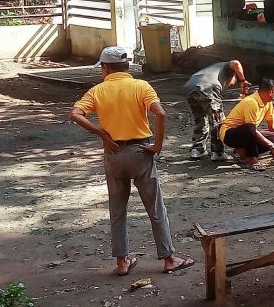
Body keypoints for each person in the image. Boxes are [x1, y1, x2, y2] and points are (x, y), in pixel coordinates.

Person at [68, 46, 194, 276]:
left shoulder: (97, 91)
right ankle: (169, 259)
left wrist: (101, 133)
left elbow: (75, 114)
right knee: (155, 208)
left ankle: (122, 262)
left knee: (117, 210)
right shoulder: (141, 86)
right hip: (140, 152)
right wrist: (157, 146)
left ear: (105, 68)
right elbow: (161, 113)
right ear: (126, 66)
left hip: (114, 154)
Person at [183, 60, 251, 161]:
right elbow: (236, 63)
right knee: (218, 122)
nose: (229, 86)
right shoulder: (227, 67)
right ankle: (218, 152)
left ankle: (197, 149)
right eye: (231, 84)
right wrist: (243, 81)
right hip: (207, 88)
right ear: (232, 75)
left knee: (200, 120)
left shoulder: (213, 70)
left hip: (189, 89)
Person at [219, 78, 274, 171]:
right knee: (250, 127)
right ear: (270, 92)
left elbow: (272, 124)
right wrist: (271, 146)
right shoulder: (251, 102)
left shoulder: (268, 102)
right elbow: (251, 129)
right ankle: (250, 159)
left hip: (247, 132)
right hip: (228, 134)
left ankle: (242, 151)